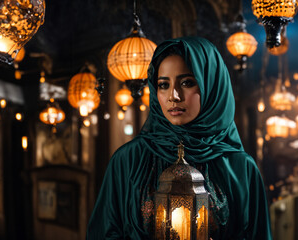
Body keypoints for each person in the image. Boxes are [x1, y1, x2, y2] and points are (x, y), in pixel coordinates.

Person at [86, 36, 272, 239]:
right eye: (163, 85)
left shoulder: (240, 168)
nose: (173, 95)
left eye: (187, 82)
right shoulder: (128, 160)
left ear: (212, 86)